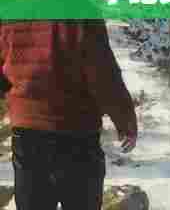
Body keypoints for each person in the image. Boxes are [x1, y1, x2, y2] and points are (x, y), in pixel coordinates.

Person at [0, 19, 138, 210]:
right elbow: (104, 74)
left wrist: (17, 100)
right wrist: (125, 120)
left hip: (27, 133)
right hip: (77, 133)